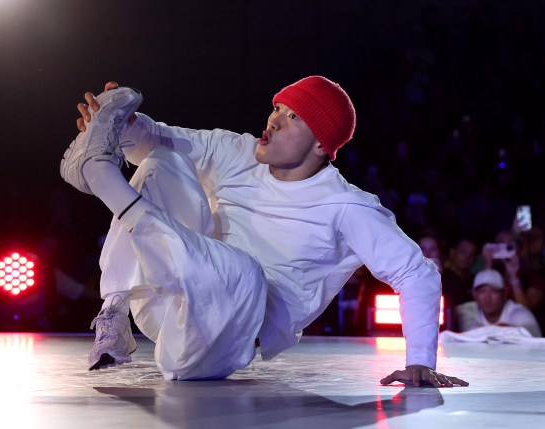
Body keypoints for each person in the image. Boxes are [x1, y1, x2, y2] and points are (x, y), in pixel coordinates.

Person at [61, 76, 468, 387]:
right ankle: (113, 311)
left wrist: (420, 359)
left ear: (321, 147)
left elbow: (416, 273)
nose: (274, 119)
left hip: (219, 337)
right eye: (277, 108)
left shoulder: (347, 207)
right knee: (161, 162)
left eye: (293, 117)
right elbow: (159, 138)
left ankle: (99, 174)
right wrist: (123, 127)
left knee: (245, 273)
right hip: (161, 299)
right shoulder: (238, 153)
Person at [456, 268, 541, 337]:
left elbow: (534, 333)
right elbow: (470, 331)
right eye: (482, 291)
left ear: (504, 293)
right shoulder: (466, 311)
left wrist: (497, 330)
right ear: (474, 294)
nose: (488, 298)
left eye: (493, 291)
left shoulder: (516, 311)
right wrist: (505, 329)